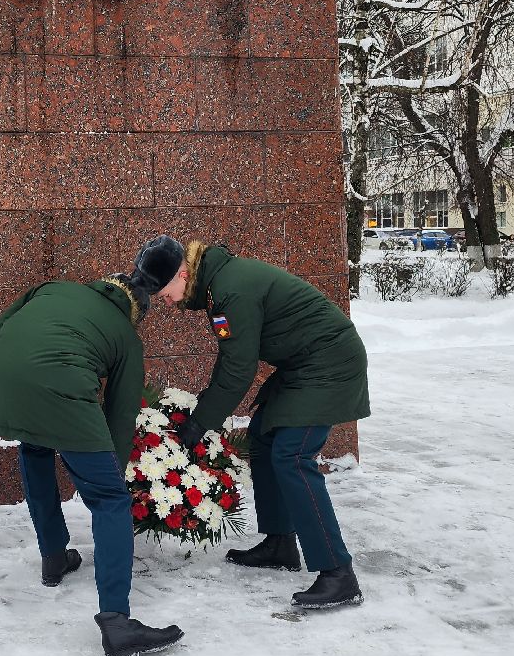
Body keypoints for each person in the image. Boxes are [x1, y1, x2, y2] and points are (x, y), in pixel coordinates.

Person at [133, 235, 370, 610]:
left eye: (164, 293)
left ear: (183, 273)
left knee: (293, 457)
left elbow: (238, 370)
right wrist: (205, 412)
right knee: (264, 437)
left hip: (328, 363)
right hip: (303, 364)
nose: (167, 301)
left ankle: (338, 573)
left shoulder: (229, 290)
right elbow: (234, 358)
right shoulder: (218, 286)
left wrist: (200, 423)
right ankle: (280, 543)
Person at [0, 271, 185, 656]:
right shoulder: (126, 335)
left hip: (3, 378)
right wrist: (113, 472)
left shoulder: (50, 288)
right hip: (62, 387)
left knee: (35, 448)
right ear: (134, 313)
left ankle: (54, 557)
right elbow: (121, 414)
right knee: (110, 500)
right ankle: (117, 622)